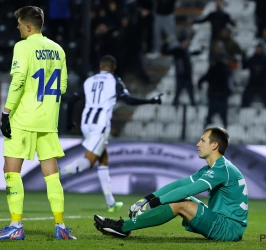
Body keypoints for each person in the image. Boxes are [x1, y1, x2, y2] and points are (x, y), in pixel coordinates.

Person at [0, 6, 76, 240]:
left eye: (20, 24)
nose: (18, 28)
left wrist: (5, 112)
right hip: (48, 120)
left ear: (29, 26)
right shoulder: (58, 49)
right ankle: (61, 226)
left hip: (23, 118)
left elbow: (19, 80)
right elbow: (62, 86)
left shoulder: (23, 47)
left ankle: (15, 227)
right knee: (52, 174)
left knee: (11, 172)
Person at [93, 127, 248, 241]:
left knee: (181, 203)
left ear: (214, 145)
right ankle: (123, 227)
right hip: (222, 221)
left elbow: (189, 189)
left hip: (229, 229)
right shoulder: (214, 167)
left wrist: (155, 203)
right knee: (180, 198)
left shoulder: (222, 169)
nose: (197, 144)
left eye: (202, 140)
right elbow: (180, 184)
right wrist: (147, 198)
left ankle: (122, 227)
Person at [60, 55, 163, 213]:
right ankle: (57, 171)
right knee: (88, 162)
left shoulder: (89, 80)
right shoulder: (114, 81)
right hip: (100, 125)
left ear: (101, 66)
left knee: (103, 159)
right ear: (113, 67)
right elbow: (127, 100)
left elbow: (72, 100)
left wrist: (68, 121)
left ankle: (110, 202)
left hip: (86, 124)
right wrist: (150, 101)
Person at [161, 32, 202, 106]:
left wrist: (198, 52)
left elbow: (190, 54)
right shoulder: (177, 50)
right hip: (181, 76)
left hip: (187, 76)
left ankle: (192, 106)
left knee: (190, 92)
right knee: (178, 93)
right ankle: (175, 106)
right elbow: (165, 52)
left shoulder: (185, 50)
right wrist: (166, 43)